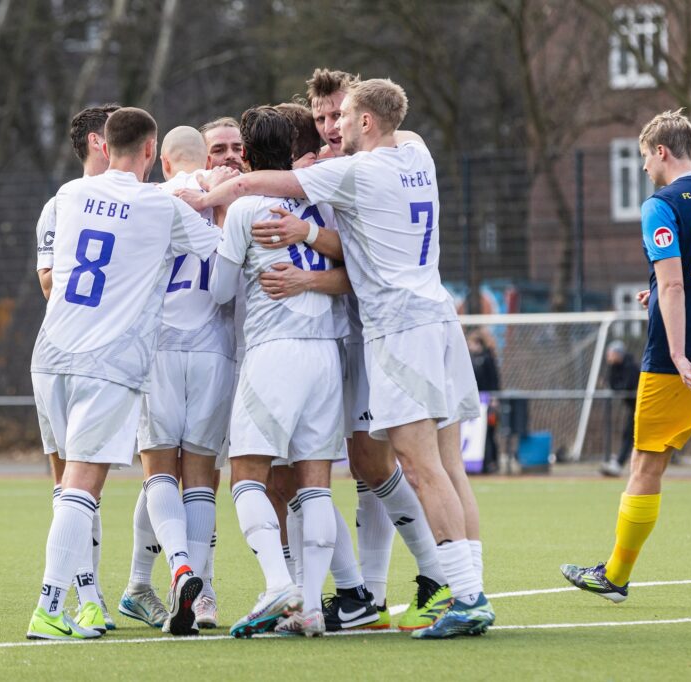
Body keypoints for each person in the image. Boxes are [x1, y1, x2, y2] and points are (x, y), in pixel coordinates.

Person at [180, 78, 494, 639]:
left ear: (366, 121)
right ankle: (455, 590)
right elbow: (400, 136)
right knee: (437, 467)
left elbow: (259, 186)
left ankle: (453, 593)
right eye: (324, 118)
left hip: (395, 329)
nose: (334, 127)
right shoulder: (415, 154)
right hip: (435, 316)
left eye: (342, 116)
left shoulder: (353, 171)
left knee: (411, 466)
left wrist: (207, 197)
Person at [561, 109, 691, 612]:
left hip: (677, 361)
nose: (643, 168)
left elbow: (676, 283)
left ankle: (615, 575)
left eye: (644, 157)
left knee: (646, 464)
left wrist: (678, 352)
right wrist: (659, 292)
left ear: (661, 151)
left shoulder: (660, 205)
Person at [26, 106, 221, 640]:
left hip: (50, 354)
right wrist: (210, 188)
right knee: (82, 488)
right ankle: (49, 606)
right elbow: (219, 249)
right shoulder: (159, 205)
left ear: (104, 146)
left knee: (66, 485)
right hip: (108, 363)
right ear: (151, 150)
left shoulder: (67, 195)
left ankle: (83, 603)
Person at [205, 106, 350, 638]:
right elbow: (348, 266)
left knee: (247, 475)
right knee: (315, 484)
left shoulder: (246, 209)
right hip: (325, 353)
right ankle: (309, 606)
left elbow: (220, 292)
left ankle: (276, 584)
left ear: (246, 153)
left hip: (274, 352)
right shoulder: (318, 206)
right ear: (292, 150)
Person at [119, 126, 237, 632]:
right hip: (214, 348)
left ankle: (179, 569)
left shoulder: (149, 199)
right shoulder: (228, 195)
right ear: (204, 158)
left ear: (163, 161)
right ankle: (200, 593)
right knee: (202, 479)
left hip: (159, 347)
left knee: (159, 473)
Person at [34, 103, 121, 631]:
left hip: (101, 357)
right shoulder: (60, 204)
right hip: (69, 353)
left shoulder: (135, 199)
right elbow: (48, 282)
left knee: (84, 484)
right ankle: (85, 597)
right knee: (71, 482)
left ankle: (85, 599)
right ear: (96, 141)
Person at [599, 340, 639, 477]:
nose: (608, 356)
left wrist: (616, 387)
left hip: (643, 406)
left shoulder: (631, 366)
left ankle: (619, 464)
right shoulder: (615, 367)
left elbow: (626, 386)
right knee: (629, 434)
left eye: (611, 353)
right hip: (633, 408)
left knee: (630, 435)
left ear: (618, 353)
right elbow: (612, 384)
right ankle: (618, 463)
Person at [468, 328, 501, 474]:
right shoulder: (470, 359)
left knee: (489, 432)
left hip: (487, 401)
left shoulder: (487, 358)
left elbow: (494, 380)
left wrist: (494, 398)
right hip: (475, 400)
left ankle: (492, 461)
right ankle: (481, 462)